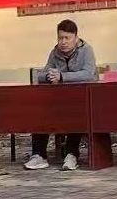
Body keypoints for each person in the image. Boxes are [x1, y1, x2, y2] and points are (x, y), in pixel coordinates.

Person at [23, 19, 97, 172]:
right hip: (59, 100)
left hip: (82, 100)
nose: (63, 42)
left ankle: (71, 154)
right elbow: (41, 75)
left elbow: (89, 74)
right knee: (40, 112)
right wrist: (49, 75)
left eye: (67, 38)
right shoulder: (55, 52)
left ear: (76, 38)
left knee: (76, 114)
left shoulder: (86, 50)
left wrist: (62, 76)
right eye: (60, 38)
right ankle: (39, 155)